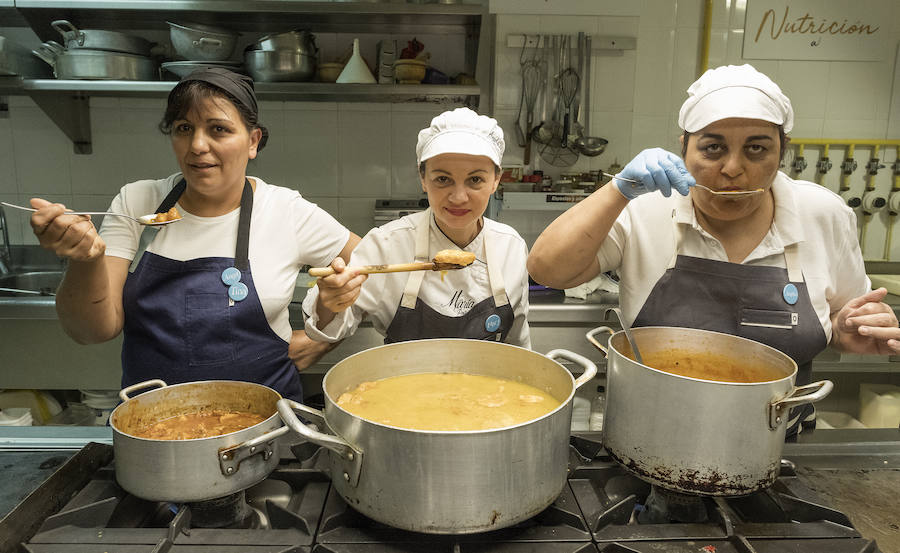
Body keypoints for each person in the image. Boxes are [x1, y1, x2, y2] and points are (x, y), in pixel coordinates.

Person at [527, 64, 900, 436]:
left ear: (782, 151)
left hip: (778, 442)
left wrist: (847, 330)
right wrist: (617, 190)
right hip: (648, 439)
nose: (733, 169)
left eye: (756, 148)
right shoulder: (647, 209)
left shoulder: (823, 214)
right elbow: (547, 270)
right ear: (684, 148)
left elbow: (839, 318)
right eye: (713, 148)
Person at [27, 68, 358, 400]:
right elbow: (92, 332)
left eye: (218, 129)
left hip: (267, 423)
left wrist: (321, 341)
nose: (198, 145)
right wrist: (85, 260)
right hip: (153, 421)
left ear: (252, 141)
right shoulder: (136, 202)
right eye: (184, 128)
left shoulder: (286, 211)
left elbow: (375, 268)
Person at [303, 107, 530, 348]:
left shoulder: (510, 246)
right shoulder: (388, 244)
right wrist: (330, 301)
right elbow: (330, 325)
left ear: (495, 180)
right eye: (443, 179)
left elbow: (518, 343)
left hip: (491, 373)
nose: (458, 197)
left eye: (475, 180)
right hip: (402, 372)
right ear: (423, 178)